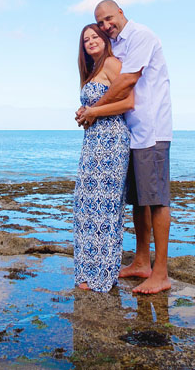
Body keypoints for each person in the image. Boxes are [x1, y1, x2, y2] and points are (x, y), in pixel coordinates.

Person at [76, 0, 172, 294]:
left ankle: (161, 273)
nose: (105, 26)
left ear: (120, 12)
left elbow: (128, 81)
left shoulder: (140, 36)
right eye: (100, 23)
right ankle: (142, 261)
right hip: (130, 132)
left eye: (108, 19)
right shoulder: (116, 46)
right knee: (137, 199)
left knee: (155, 199)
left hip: (151, 129)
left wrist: (93, 109)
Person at [73, 23, 135, 292]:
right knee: (85, 205)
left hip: (111, 141)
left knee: (106, 207)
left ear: (105, 39)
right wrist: (84, 112)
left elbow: (129, 102)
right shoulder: (91, 70)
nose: (91, 41)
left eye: (95, 36)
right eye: (86, 40)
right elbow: (96, 105)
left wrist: (94, 113)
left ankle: (104, 274)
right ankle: (86, 272)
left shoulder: (111, 63)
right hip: (92, 143)